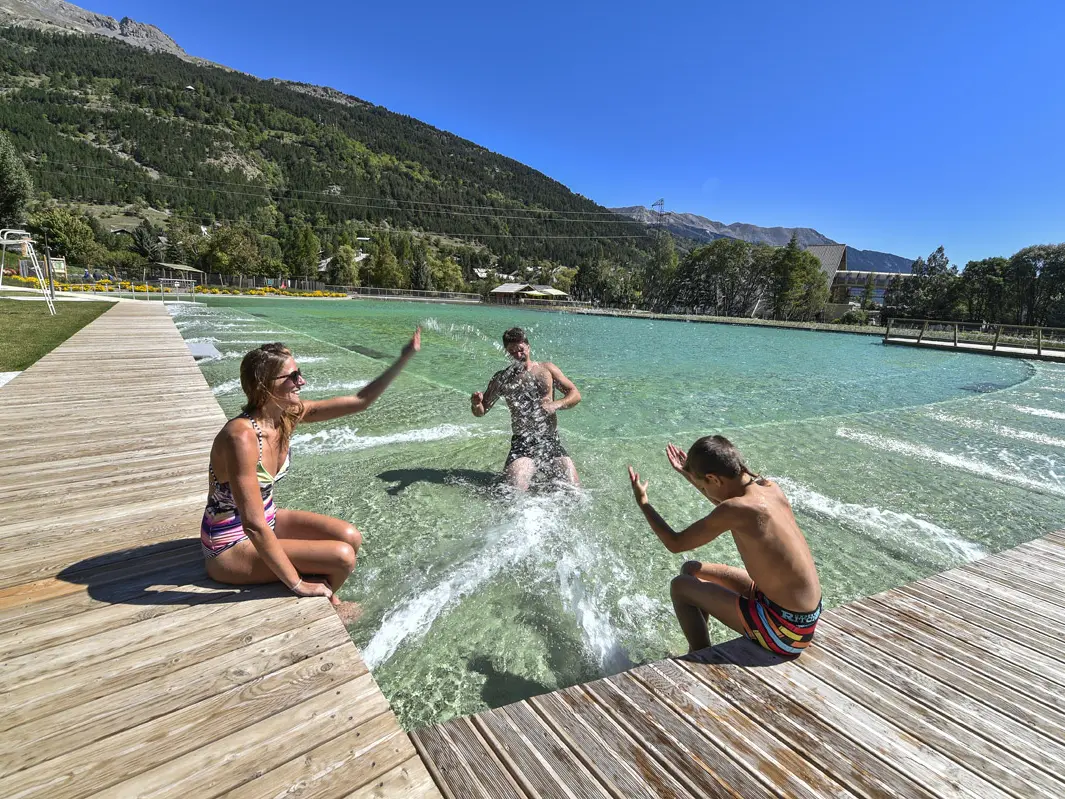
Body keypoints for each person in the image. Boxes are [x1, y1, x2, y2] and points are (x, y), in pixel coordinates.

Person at [201, 329, 421, 622]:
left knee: (350, 537)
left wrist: (403, 359)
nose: (301, 381)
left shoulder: (287, 416)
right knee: (342, 558)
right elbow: (252, 526)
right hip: (229, 545)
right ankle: (324, 604)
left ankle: (326, 594)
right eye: (292, 376)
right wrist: (298, 584)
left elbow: (360, 401)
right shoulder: (240, 437)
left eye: (299, 373)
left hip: (268, 519)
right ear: (265, 385)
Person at [627, 435, 821, 657]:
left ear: (714, 478)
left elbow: (675, 543)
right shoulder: (770, 488)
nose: (703, 489)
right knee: (691, 569)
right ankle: (700, 643)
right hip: (802, 621)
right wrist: (693, 476)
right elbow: (726, 504)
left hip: (785, 632)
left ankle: (700, 652)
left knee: (680, 586)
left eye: (703, 485)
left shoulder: (736, 510)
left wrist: (643, 503)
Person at [470, 327, 580, 490]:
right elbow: (481, 412)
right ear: (507, 352)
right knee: (514, 492)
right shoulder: (502, 378)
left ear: (528, 346)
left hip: (550, 441)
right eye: (512, 351)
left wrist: (555, 404)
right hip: (522, 444)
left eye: (521, 349)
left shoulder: (547, 369)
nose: (518, 354)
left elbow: (575, 394)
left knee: (573, 490)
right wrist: (476, 404)